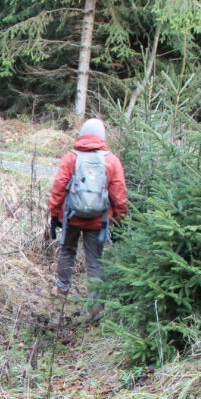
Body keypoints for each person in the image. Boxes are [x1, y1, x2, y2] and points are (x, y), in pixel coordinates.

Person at [47, 118, 128, 322]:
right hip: (98, 221)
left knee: (67, 251)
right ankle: (95, 306)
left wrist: (54, 215)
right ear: (102, 136)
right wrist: (119, 219)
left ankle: (62, 288)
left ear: (82, 134)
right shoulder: (111, 161)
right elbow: (119, 195)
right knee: (95, 262)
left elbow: (58, 188)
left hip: (71, 217)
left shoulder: (71, 158)